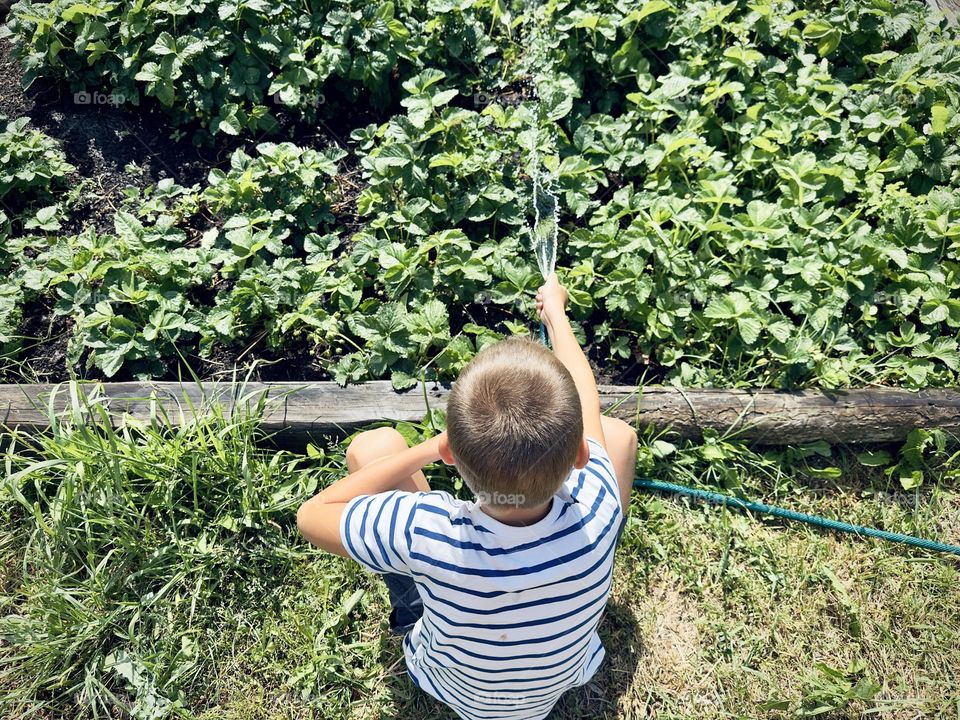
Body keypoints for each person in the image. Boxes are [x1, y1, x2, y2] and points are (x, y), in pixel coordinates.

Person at [296, 273, 638, 720]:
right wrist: (556, 312)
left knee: (373, 448)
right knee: (620, 436)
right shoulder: (598, 500)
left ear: (453, 456)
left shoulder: (426, 531)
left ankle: (411, 609)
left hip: (452, 686)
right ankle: (586, 564)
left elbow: (312, 514)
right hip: (562, 678)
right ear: (578, 457)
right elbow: (585, 395)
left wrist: (428, 448)